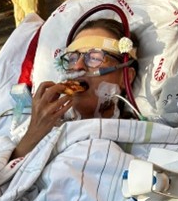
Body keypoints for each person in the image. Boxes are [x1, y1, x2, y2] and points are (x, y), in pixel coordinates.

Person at [11, 18, 139, 160]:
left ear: (126, 77)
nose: (77, 66)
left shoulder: (139, 139)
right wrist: (34, 133)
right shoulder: (45, 127)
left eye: (95, 57)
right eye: (72, 58)